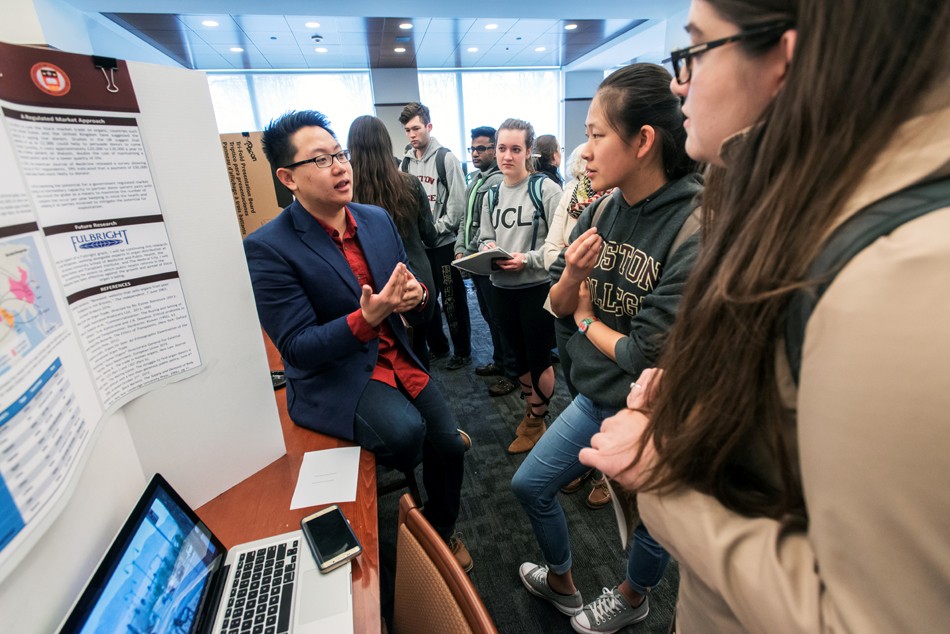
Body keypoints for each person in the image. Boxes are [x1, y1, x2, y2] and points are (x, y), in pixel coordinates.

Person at [581, 0, 950, 632]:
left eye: (695, 51)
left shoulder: (899, 271)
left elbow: (872, 617)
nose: (679, 83)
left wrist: (658, 479)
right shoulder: (793, 200)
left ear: (783, 59)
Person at [511, 63, 702, 634]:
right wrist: (570, 278)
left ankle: (633, 594)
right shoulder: (601, 207)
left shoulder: (695, 228)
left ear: (644, 141)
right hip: (594, 395)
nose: (584, 152)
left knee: (649, 523)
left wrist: (587, 315)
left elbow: (645, 355)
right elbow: (557, 304)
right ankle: (564, 580)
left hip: (653, 412)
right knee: (530, 484)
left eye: (596, 135)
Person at [244, 110, 471, 573]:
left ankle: (440, 531)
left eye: (340, 154)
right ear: (288, 177)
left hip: (398, 356)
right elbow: (298, 347)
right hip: (340, 374)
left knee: (447, 445)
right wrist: (364, 321)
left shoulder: (375, 219)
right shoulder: (268, 246)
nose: (341, 167)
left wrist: (418, 297)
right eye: (322, 160)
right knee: (409, 435)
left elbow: (417, 300)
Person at [478, 118, 562, 454]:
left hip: (536, 287)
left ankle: (537, 418)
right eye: (501, 148)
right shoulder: (491, 192)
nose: (506, 156)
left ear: (529, 151)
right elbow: (485, 236)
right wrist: (486, 249)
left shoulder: (546, 190)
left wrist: (526, 259)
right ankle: (534, 411)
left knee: (539, 357)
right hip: (501, 287)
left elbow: (561, 245)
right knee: (516, 359)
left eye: (516, 149)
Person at [348, 114, 439, 367]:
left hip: (372, 284)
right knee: (419, 348)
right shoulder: (410, 184)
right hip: (416, 280)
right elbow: (429, 235)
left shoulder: (347, 194)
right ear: (387, 145)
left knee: (382, 356)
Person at [399, 102, 472, 370]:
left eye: (416, 128)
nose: (412, 135)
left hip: (443, 245)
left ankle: (462, 351)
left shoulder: (446, 159)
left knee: (452, 301)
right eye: (407, 130)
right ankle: (438, 347)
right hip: (418, 249)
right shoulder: (405, 162)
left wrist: (433, 231)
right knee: (425, 300)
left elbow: (457, 207)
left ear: (428, 127)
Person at [454, 126, 517, 396]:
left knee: (502, 319)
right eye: (473, 148)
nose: (476, 153)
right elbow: (464, 222)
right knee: (489, 316)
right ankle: (500, 361)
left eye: (482, 148)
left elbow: (487, 227)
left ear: (494, 148)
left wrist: (471, 253)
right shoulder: (474, 181)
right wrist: (459, 248)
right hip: (473, 259)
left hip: (487, 259)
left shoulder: (498, 182)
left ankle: (513, 372)